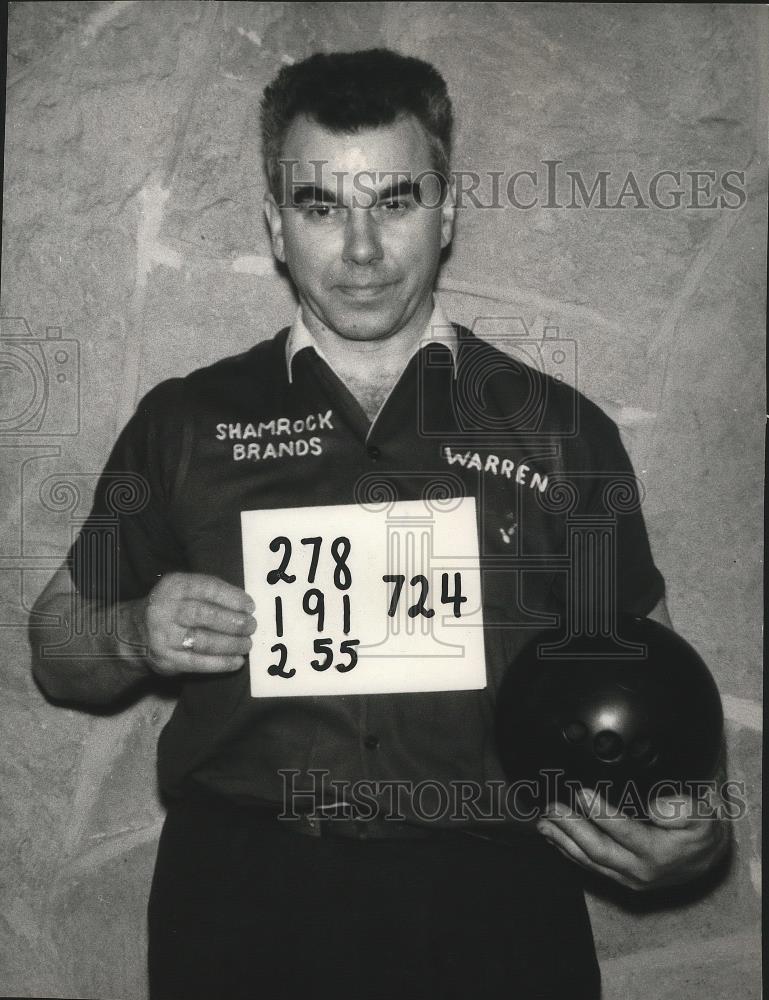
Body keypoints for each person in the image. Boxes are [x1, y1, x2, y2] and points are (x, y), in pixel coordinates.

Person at [30, 48, 729, 1000]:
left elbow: (649, 692)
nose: (360, 251)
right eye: (321, 207)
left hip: (497, 903)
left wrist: (693, 828)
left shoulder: (561, 433)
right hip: (244, 900)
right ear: (276, 227)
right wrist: (129, 630)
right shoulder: (182, 422)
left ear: (445, 214)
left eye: (394, 201)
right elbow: (54, 640)